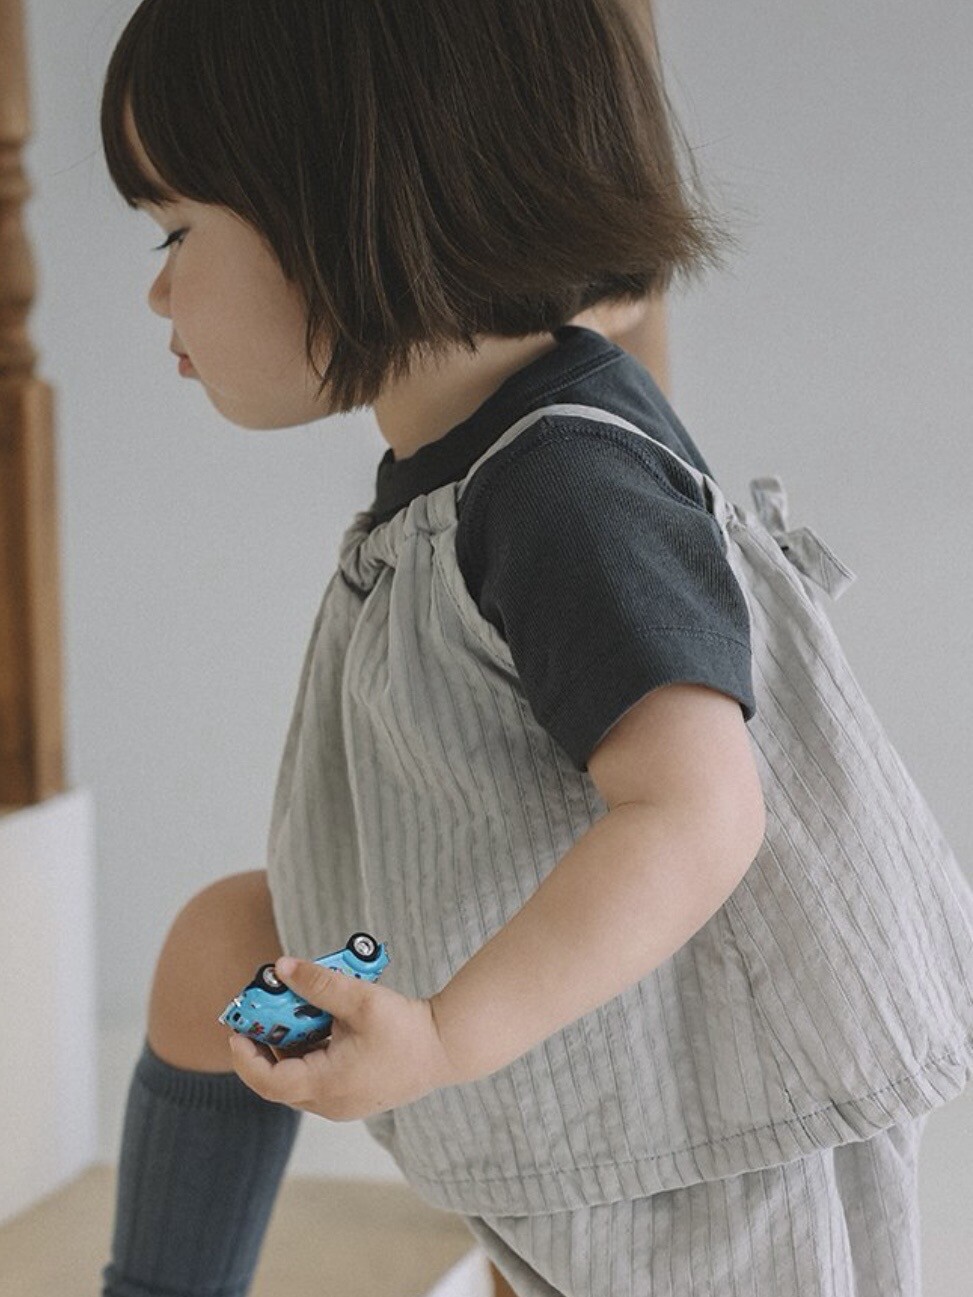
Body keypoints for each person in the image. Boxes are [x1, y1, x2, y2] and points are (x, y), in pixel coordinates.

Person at [97, 3, 956, 1294]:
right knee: (226, 953)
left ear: (349, 208)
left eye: (177, 231)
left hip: (684, 1111)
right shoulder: (477, 460)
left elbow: (697, 809)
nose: (157, 289)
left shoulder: (563, 488)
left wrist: (445, 1034)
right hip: (509, 983)